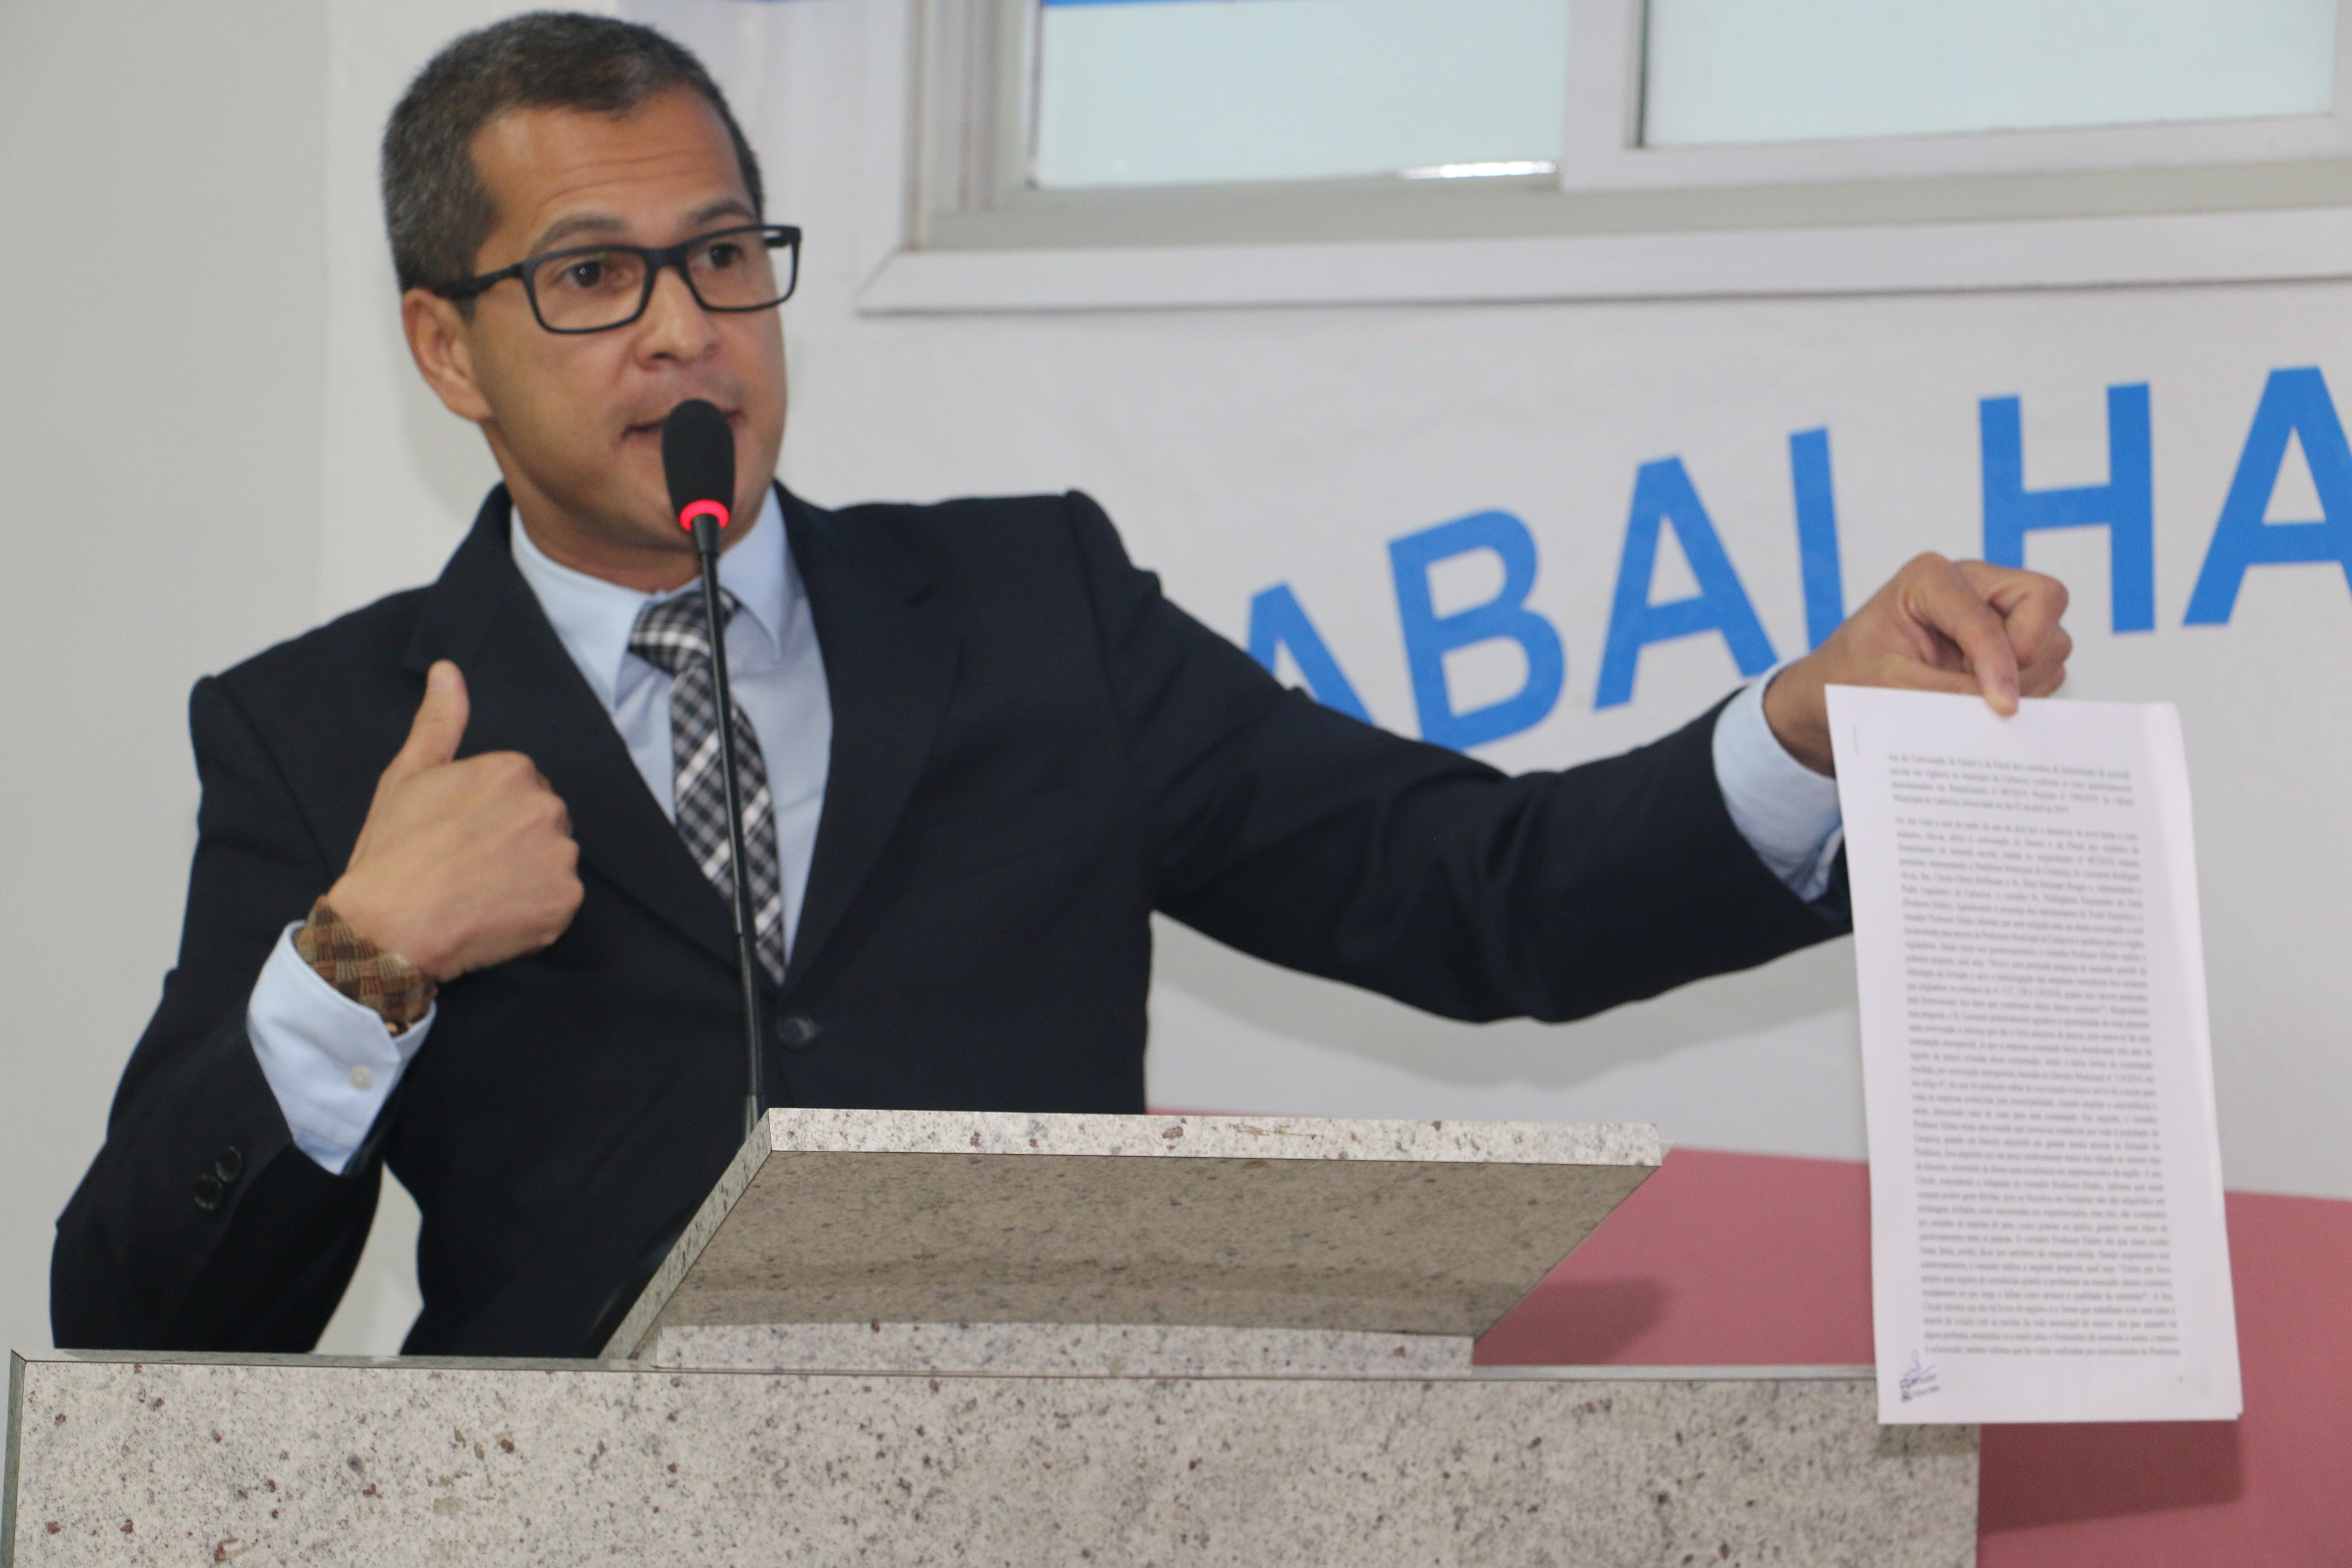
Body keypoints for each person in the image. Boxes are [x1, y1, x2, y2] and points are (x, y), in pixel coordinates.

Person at [51, 15, 2070, 1359]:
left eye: (726, 256)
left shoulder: (1037, 614)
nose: (686, 332)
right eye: (593, 277)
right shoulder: (328, 736)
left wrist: (1805, 732)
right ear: (447, 347)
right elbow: (148, 1325)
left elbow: (1482, 893)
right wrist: (362, 961)